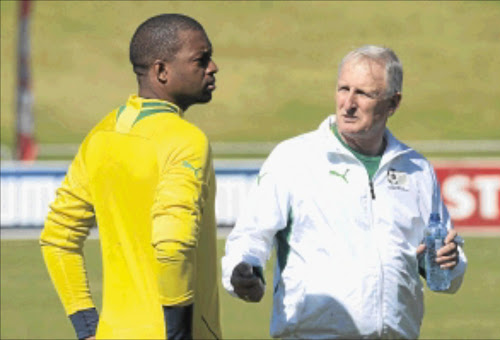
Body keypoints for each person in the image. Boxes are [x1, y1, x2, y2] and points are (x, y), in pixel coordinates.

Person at [221, 45, 467, 339]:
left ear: (393, 103)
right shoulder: (293, 158)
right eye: (343, 89)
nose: (348, 104)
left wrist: (447, 263)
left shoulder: (417, 169)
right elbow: (249, 237)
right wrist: (243, 271)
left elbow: (448, 268)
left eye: (363, 93)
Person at [40, 13, 221, 340]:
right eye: (201, 59)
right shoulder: (185, 140)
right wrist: (177, 334)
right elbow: (171, 244)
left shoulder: (101, 133)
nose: (213, 67)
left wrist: (87, 329)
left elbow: (57, 238)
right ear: (161, 71)